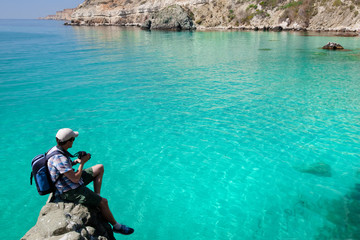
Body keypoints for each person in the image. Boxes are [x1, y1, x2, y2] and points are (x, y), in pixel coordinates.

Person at [47, 128, 134, 235]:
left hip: (68, 180)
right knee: (104, 202)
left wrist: (76, 161)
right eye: (73, 139)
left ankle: (97, 197)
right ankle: (117, 226)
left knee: (99, 167)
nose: (74, 141)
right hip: (69, 190)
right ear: (69, 141)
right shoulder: (59, 157)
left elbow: (63, 169)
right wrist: (82, 163)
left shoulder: (56, 150)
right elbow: (75, 179)